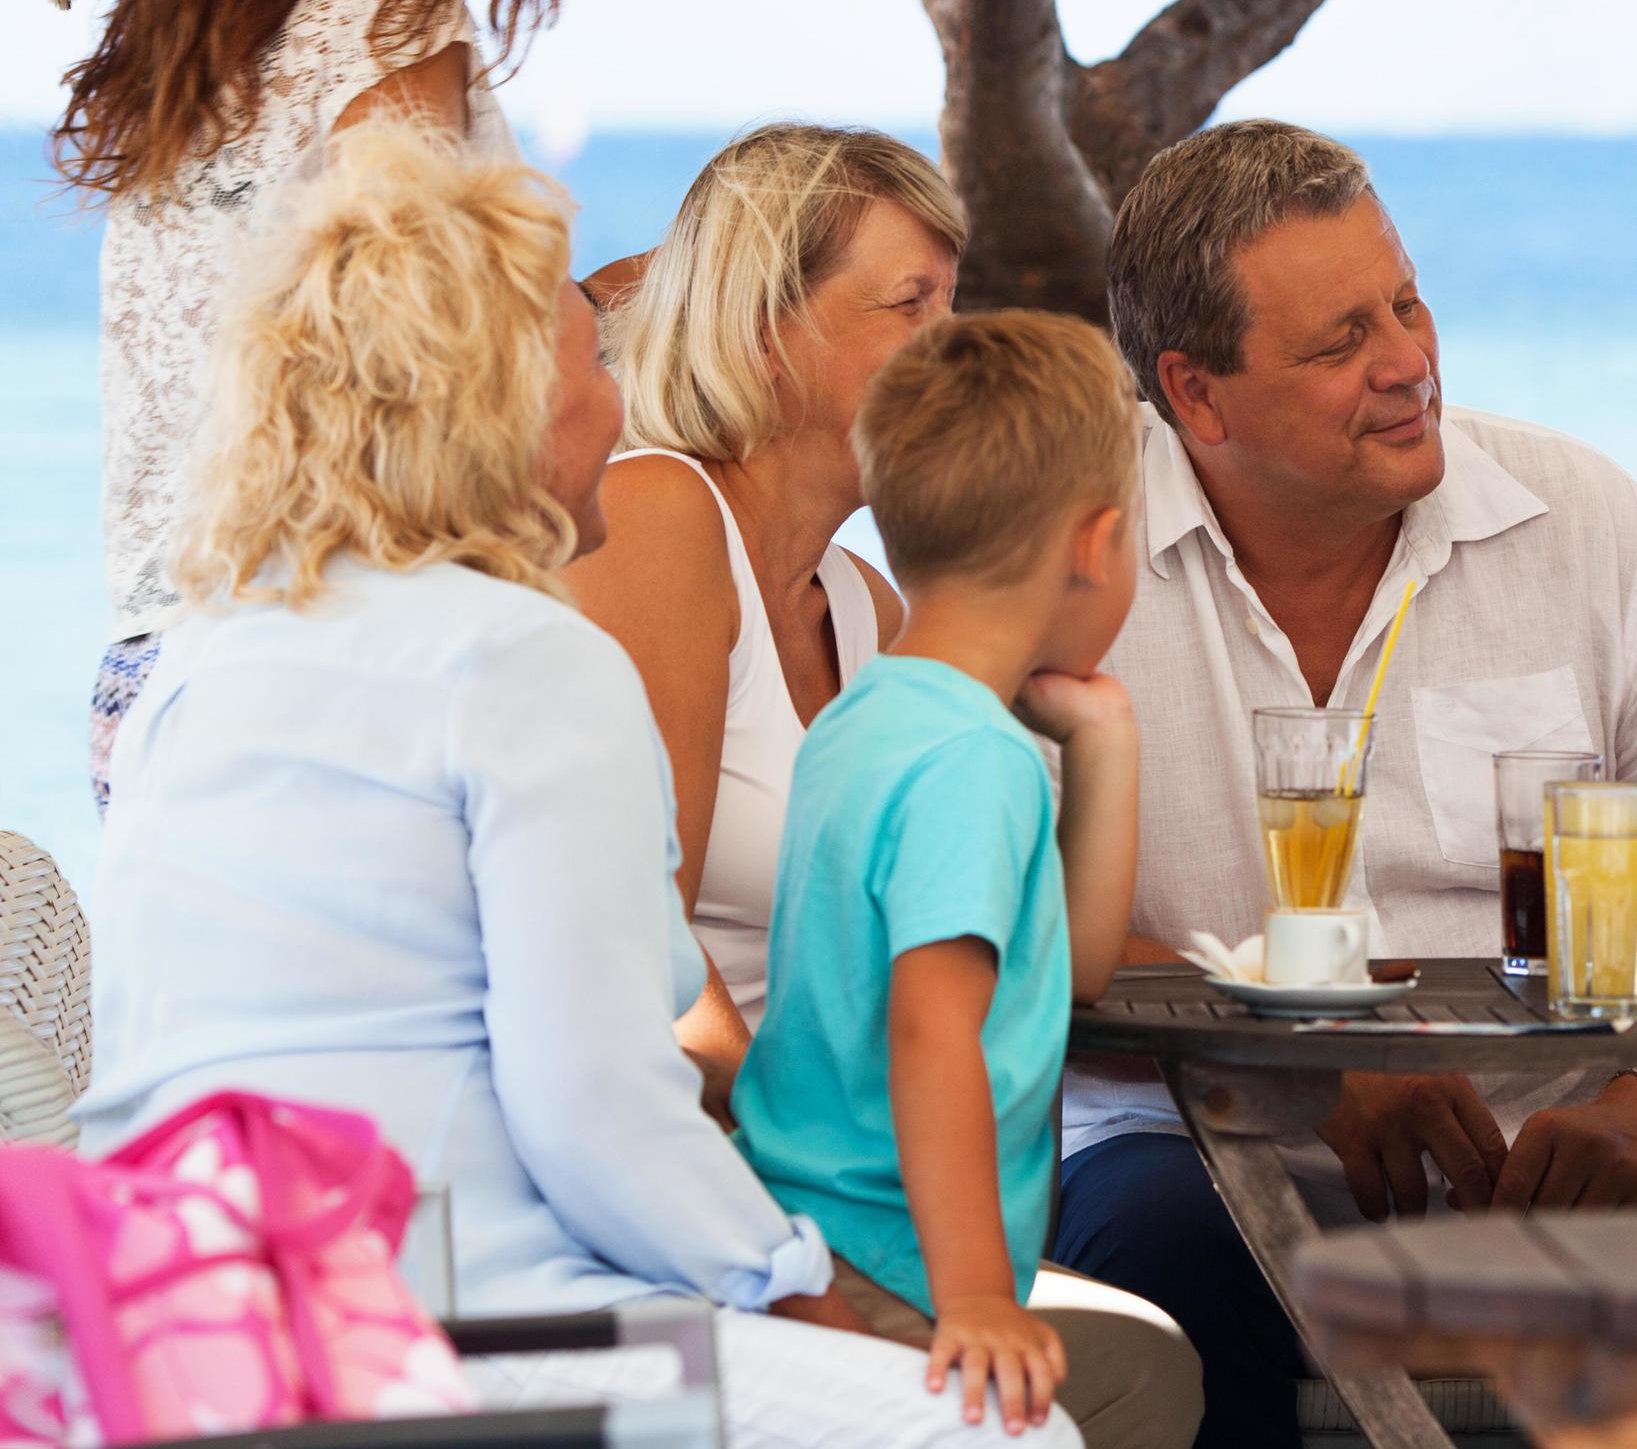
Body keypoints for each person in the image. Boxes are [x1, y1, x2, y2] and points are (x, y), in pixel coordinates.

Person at [75, 124, 1074, 1448]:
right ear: (490, 411)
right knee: (997, 1433)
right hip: (438, 1326)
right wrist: (797, 1285)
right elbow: (596, 1108)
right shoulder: (520, 659)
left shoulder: (207, 657)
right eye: (592, 362)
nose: (622, 399)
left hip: (163, 1326)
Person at [1054, 119, 1637, 1449]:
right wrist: (1304, 1061)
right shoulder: (1063, 553)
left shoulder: (1589, 524)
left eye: (1406, 303)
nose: (1409, 363)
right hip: (1189, 1155)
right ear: (1197, 394)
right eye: (1341, 340)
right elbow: (1012, 927)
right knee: (1156, 1268)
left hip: (1557, 1158)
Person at [55, 0, 597, 811]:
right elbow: (424, 355)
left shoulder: (193, 36)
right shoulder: (389, 18)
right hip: (317, 671)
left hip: (147, 675)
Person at [736, 311, 1199, 1449]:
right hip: (883, 1253)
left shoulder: (877, 715)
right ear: (1094, 546)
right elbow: (931, 1033)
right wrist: (982, 1293)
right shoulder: (968, 761)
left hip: (821, 1222)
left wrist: (1103, 745)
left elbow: (1069, 967)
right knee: (1151, 1380)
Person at [567, 124, 959, 1107]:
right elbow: (632, 949)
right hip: (708, 1176)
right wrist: (813, 1170)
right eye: (913, 305)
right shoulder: (660, 518)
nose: (956, 348)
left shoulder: (869, 605)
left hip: (833, 1174)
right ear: (764, 333)